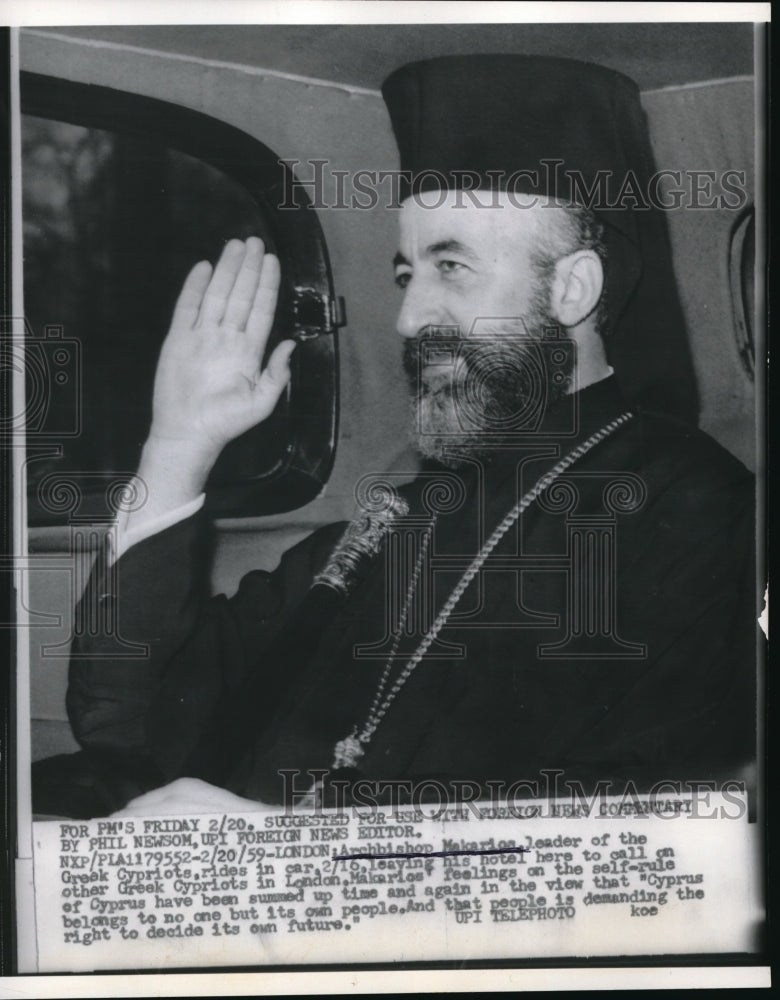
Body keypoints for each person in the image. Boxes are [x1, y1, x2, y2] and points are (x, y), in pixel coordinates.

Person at [32, 55, 756, 819]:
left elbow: (652, 841)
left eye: (453, 266)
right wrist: (178, 447)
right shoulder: (399, 513)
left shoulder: (703, 520)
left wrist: (282, 853)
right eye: (408, 274)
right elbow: (127, 724)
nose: (409, 318)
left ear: (572, 290)